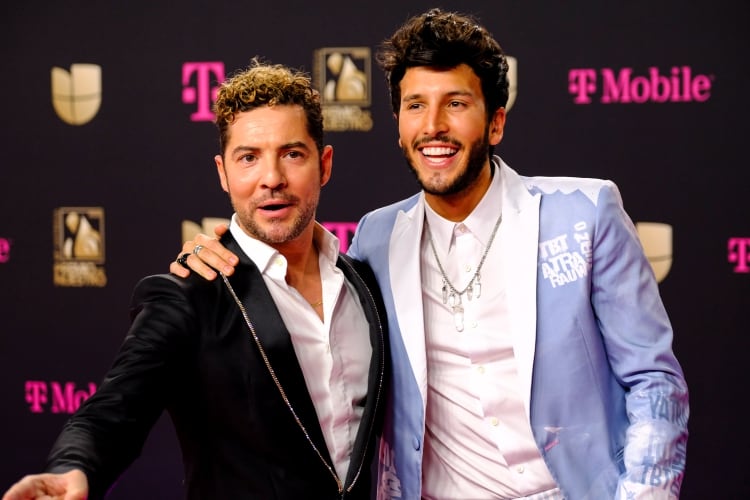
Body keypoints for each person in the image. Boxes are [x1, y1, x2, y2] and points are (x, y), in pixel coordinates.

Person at [170, 8, 690, 500]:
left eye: (456, 103)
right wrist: (217, 249)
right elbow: (289, 255)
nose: (433, 125)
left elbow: (653, 380)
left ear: (496, 122)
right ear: (398, 123)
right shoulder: (375, 238)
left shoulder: (584, 215)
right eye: (416, 105)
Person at [3, 60, 387, 500]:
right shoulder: (190, 293)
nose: (272, 179)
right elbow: (112, 410)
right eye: (249, 158)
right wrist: (75, 469)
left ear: (325, 164)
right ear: (224, 174)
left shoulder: (365, 285)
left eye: (292, 154)